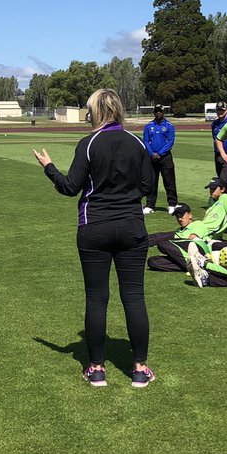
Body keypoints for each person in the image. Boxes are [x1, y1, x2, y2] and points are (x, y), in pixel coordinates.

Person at [34, 88, 155, 388]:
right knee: (134, 298)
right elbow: (147, 186)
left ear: (98, 112)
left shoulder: (88, 144)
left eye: (89, 110)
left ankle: (97, 367)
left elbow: (69, 186)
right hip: (131, 227)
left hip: (94, 228)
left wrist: (49, 168)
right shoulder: (136, 143)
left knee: (97, 298)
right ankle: (139, 367)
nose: (87, 116)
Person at [142, 104, 178, 214]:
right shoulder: (149, 126)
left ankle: (172, 204)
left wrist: (160, 153)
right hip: (152, 157)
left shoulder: (169, 126)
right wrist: (152, 153)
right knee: (152, 181)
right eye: (156, 111)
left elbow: (170, 141)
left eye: (160, 111)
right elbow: (146, 141)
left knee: (169, 181)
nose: (158, 113)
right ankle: (150, 205)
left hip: (165, 157)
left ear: (163, 113)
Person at [209, 101, 227, 179]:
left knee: (225, 180)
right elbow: (215, 137)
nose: (220, 112)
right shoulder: (214, 123)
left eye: (222, 110)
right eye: (218, 110)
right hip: (218, 154)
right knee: (220, 178)